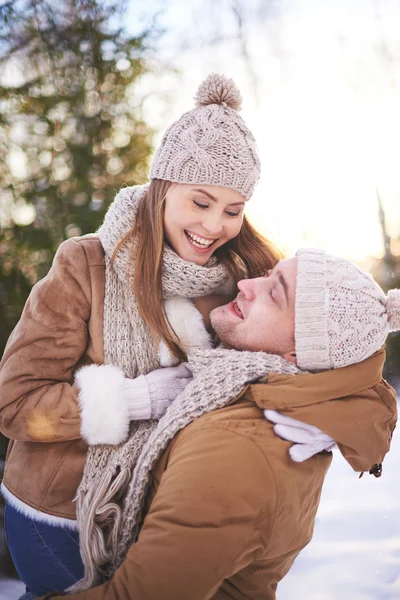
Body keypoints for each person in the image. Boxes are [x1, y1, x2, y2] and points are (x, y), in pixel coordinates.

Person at [0, 73, 282, 598]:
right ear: (162, 188)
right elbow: (15, 403)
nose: (215, 224)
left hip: (163, 517)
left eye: (232, 209)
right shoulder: (86, 264)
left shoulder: (236, 284)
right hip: (62, 517)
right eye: (200, 202)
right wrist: (137, 398)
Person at [38, 248, 398, 600]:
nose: (247, 286)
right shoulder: (264, 399)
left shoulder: (239, 445)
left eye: (274, 293)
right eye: (269, 274)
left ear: (299, 353)